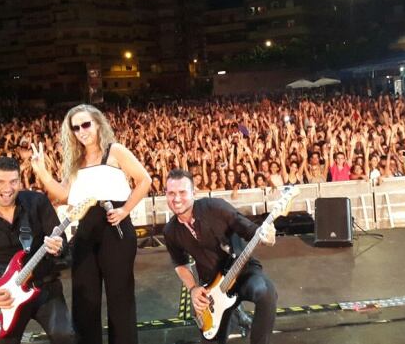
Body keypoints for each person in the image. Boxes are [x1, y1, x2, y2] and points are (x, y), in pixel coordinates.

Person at [30, 104, 151, 344]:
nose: (81, 131)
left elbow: (144, 180)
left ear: (97, 124)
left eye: (86, 124)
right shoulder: (76, 161)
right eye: (75, 128)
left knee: (120, 298)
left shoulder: (114, 151)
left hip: (114, 229)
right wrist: (42, 172)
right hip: (85, 231)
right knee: (85, 299)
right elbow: (63, 195)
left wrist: (125, 210)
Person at [0, 157, 74, 344]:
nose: (8, 189)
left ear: (20, 181)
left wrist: (57, 247)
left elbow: (60, 243)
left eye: (13, 182)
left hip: (45, 287)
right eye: (0, 182)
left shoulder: (37, 203)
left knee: (66, 336)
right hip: (5, 298)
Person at [163, 168, 278, 344]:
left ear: (193, 193)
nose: (176, 198)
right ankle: (235, 314)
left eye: (182, 192)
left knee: (266, 292)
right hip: (212, 289)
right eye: (171, 193)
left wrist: (266, 235)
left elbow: (247, 228)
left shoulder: (215, 207)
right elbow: (180, 264)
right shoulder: (170, 231)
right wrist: (193, 289)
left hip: (243, 273)